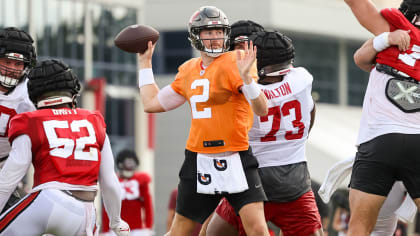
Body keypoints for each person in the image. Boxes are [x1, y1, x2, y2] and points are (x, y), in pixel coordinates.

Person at [137, 5, 270, 236]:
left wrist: (248, 79)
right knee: (178, 231)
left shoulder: (236, 60)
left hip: (236, 154)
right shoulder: (188, 69)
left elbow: (262, 109)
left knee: (258, 229)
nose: (215, 38)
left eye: (219, 31)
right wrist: (145, 65)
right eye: (208, 32)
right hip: (199, 158)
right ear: (196, 36)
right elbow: (151, 104)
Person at [204, 30, 323, 236]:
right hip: (294, 181)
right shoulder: (302, 78)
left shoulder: (241, 92)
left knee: (213, 233)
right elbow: (311, 111)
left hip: (253, 180)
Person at [0, 59, 129, 235]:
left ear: (34, 93)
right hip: (85, 212)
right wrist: (116, 221)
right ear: (73, 90)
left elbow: (8, 179)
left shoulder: (29, 121)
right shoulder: (94, 120)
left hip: (47, 200)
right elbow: (109, 182)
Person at [341, 0, 420, 234]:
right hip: (417, 140)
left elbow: (361, 58)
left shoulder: (392, 34)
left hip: (379, 141)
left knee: (359, 227)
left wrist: (385, 39)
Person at [0, 27, 37, 214]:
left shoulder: (29, 96)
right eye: (7, 61)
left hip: (5, 167)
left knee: (16, 218)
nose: (12, 69)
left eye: (18, 64)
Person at [102, 149, 153, 236]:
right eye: (127, 163)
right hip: (116, 229)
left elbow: (148, 206)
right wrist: (106, 230)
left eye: (132, 163)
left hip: (137, 229)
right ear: (120, 164)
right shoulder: (113, 181)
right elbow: (107, 207)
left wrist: (148, 227)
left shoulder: (141, 181)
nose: (129, 166)